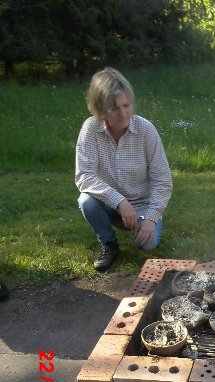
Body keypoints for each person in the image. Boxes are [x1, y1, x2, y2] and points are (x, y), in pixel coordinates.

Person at [75, 67, 172, 271]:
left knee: (148, 244)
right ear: (100, 109)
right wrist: (119, 201)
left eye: (126, 105)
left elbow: (163, 180)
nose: (123, 113)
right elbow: (84, 175)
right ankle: (108, 242)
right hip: (109, 205)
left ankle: (144, 226)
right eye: (114, 108)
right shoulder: (90, 129)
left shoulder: (146, 130)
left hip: (143, 207)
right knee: (86, 201)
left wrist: (151, 219)